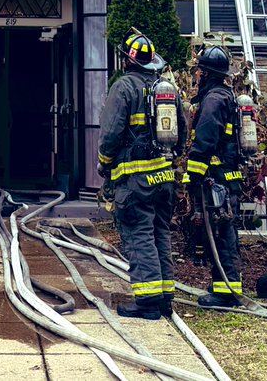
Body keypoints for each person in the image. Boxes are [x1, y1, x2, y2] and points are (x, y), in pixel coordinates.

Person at [97, 30, 186, 319]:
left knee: (139, 235)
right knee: (160, 233)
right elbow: (181, 134)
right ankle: (164, 297)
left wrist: (104, 163)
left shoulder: (123, 88)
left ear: (127, 61)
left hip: (135, 182)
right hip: (164, 178)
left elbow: (111, 134)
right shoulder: (166, 89)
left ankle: (147, 303)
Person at [183, 45, 244, 308]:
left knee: (221, 234)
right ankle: (223, 286)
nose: (197, 75)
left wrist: (193, 175)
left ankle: (225, 293)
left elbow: (205, 141)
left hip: (215, 177)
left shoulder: (213, 100)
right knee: (224, 232)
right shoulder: (225, 95)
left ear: (205, 73)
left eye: (199, 71)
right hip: (226, 176)